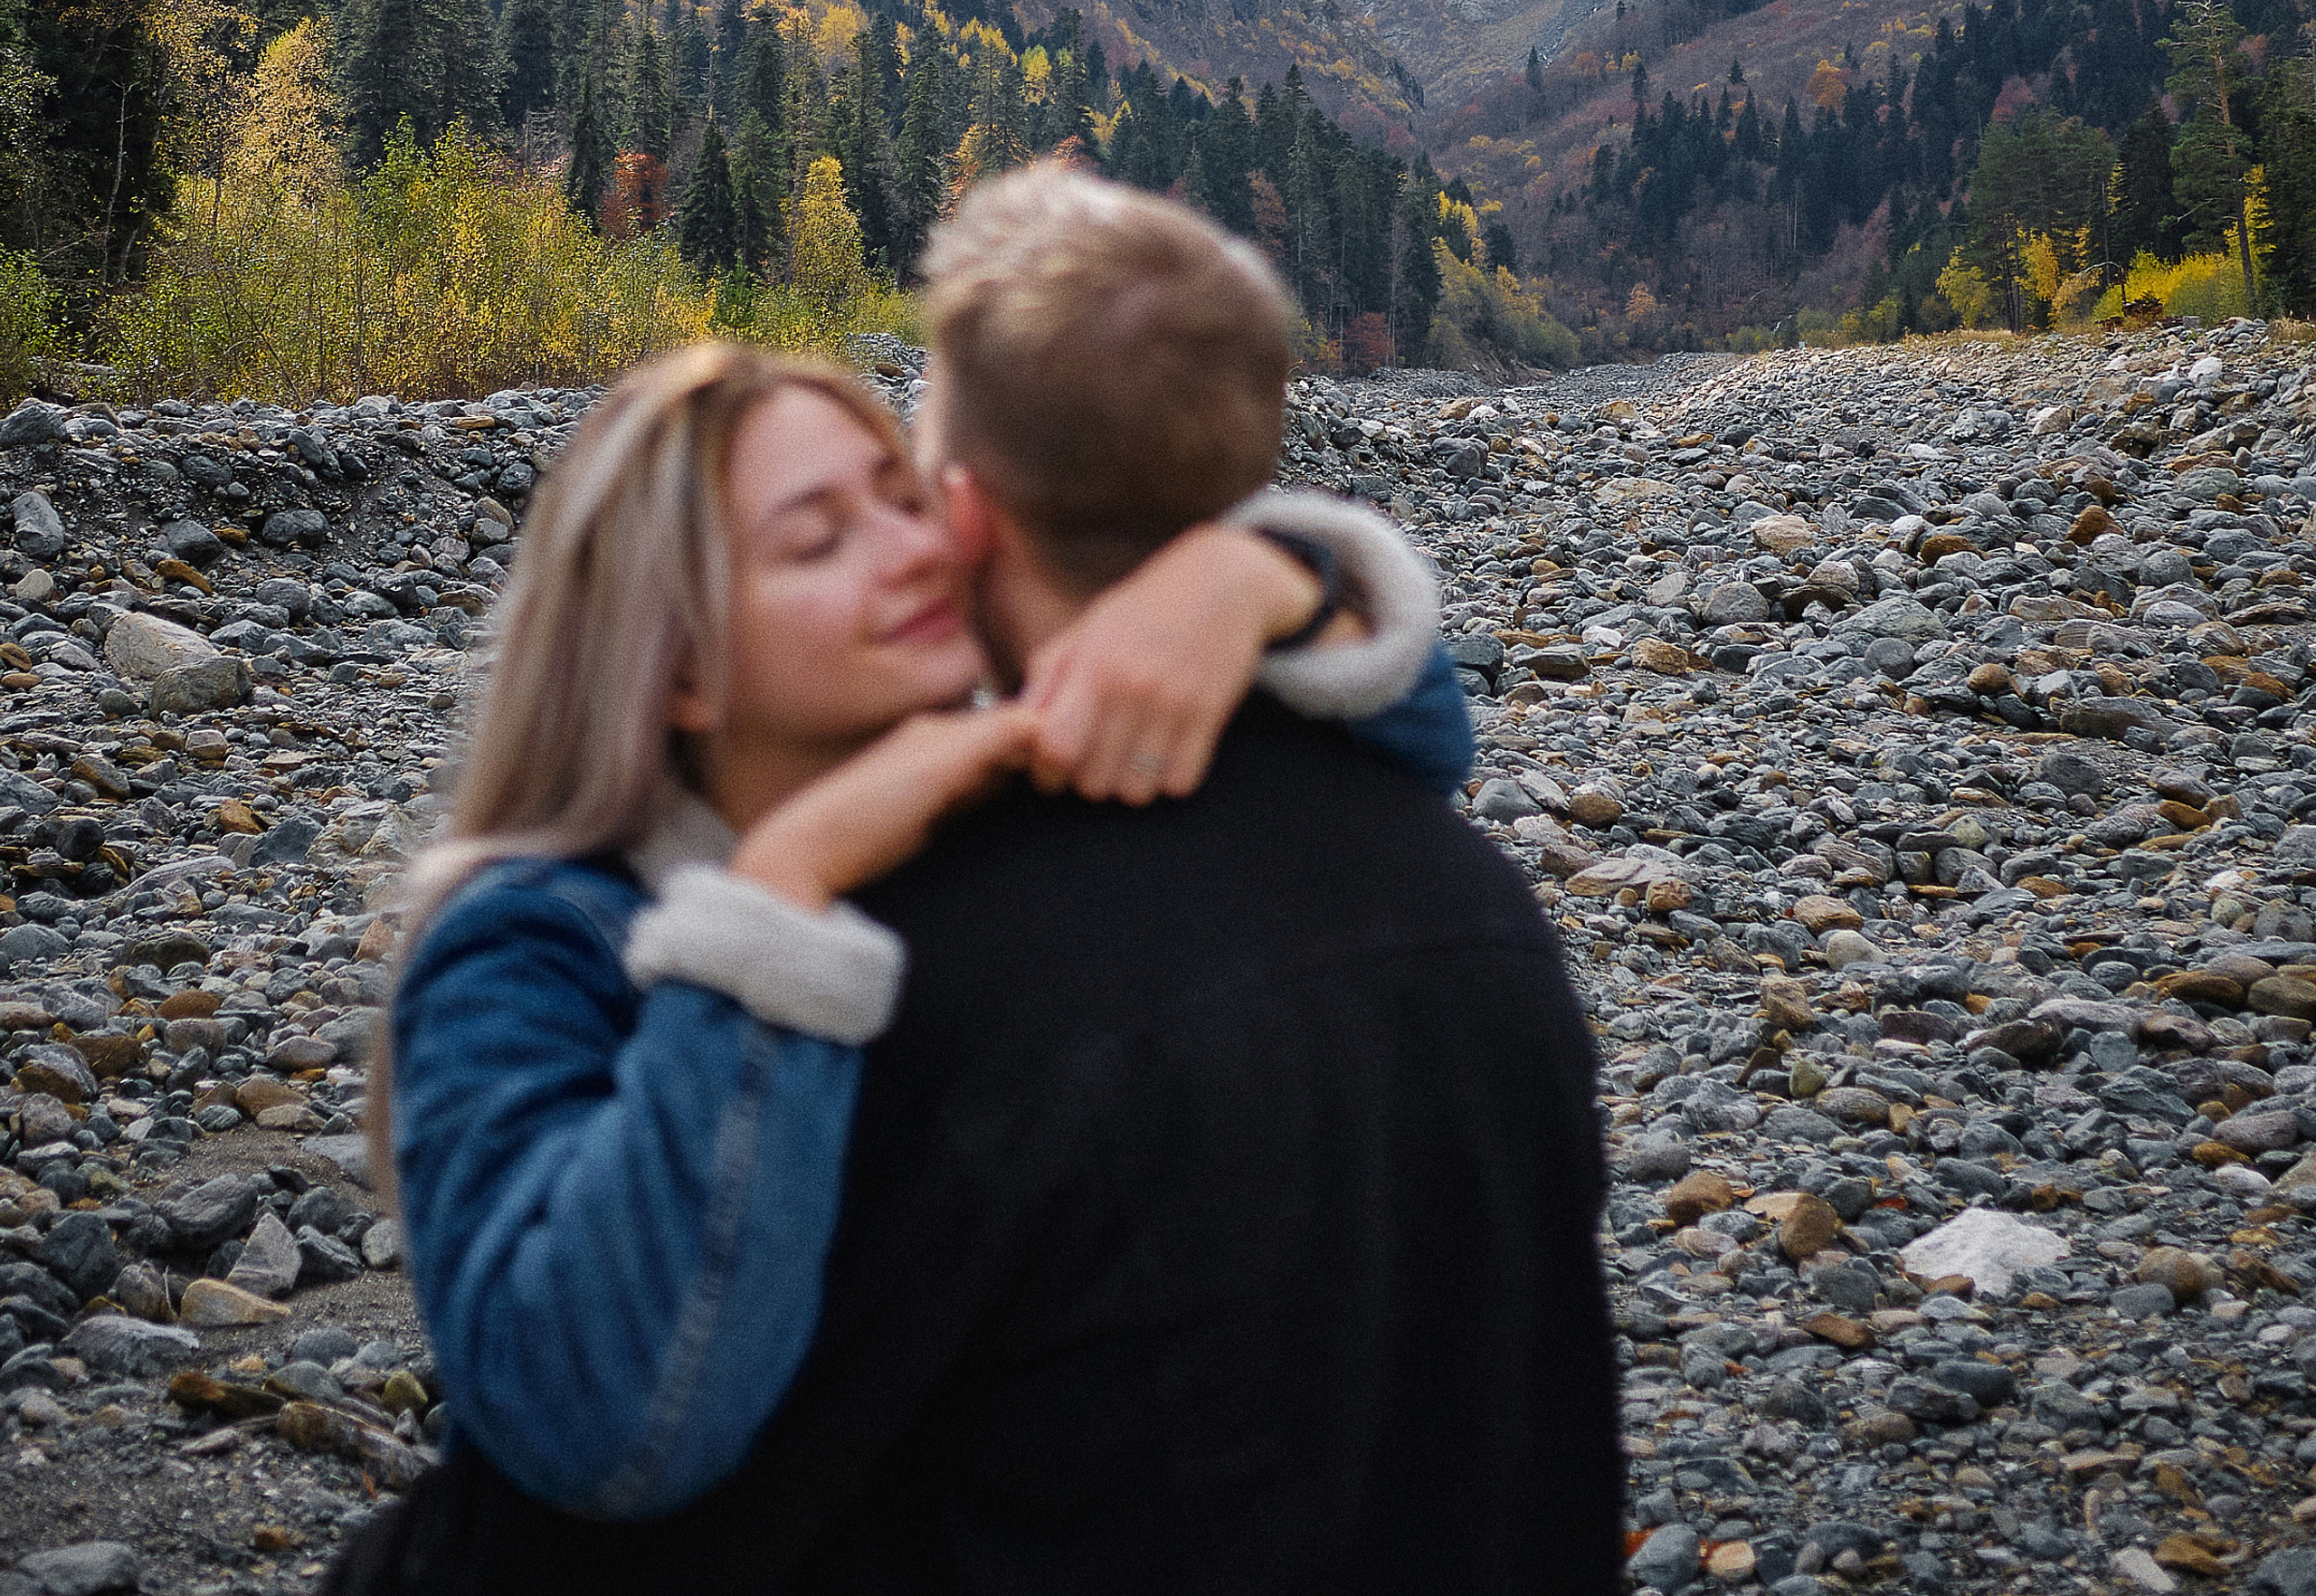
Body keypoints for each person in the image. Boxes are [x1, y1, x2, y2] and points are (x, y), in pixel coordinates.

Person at [348, 165, 1617, 1596]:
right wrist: (782, 888)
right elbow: (598, 1426)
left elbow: (1407, 732)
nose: (911, 550)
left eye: (903, 496)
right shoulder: (528, 937)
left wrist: (1255, 580)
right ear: (680, 662)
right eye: (817, 539)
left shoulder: (975, 792)